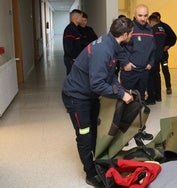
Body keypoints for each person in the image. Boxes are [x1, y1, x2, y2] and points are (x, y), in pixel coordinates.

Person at [62, 17, 134, 187]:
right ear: (124, 35)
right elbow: (98, 84)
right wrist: (121, 95)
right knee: (85, 134)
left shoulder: (112, 43)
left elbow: (109, 75)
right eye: (131, 33)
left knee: (95, 127)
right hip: (77, 96)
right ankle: (90, 173)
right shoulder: (103, 50)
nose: (132, 35)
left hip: (90, 95)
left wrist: (120, 89)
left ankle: (100, 159)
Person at [119, 4, 155, 140]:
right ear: (135, 15)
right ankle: (122, 135)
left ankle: (140, 130)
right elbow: (119, 47)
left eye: (145, 15)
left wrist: (151, 63)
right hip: (130, 72)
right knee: (126, 102)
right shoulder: (129, 29)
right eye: (140, 15)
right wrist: (125, 63)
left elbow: (153, 49)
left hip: (144, 72)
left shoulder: (150, 30)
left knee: (141, 101)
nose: (143, 18)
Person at [152, 11, 177, 95]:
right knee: (155, 71)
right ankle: (155, 90)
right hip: (155, 55)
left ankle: (168, 87)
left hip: (163, 54)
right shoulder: (151, 27)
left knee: (165, 69)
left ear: (159, 18)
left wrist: (168, 45)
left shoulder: (165, 27)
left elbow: (174, 37)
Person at [146, 14, 167, 104]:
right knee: (157, 76)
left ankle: (151, 99)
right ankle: (158, 96)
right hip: (159, 56)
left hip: (152, 56)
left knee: (150, 78)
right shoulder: (162, 29)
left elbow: (150, 44)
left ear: (152, 21)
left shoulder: (153, 29)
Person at [63, 9, 83, 75]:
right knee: (72, 79)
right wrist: (74, 57)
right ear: (76, 17)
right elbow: (68, 47)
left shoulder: (75, 28)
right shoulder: (70, 29)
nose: (82, 19)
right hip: (71, 60)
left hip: (75, 59)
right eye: (81, 17)